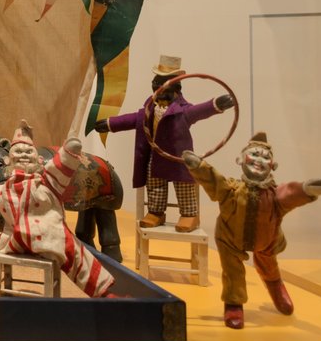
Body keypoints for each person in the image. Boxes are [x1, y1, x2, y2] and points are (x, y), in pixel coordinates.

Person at [0, 120, 117, 298]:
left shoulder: (48, 182)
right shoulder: (4, 190)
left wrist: (69, 152)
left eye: (29, 151)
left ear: (40, 158)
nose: (23, 154)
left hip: (50, 236)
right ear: (7, 159)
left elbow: (60, 167)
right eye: (18, 151)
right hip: (14, 237)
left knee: (77, 253)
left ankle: (103, 292)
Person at [183, 132, 321, 330]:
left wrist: (305, 190)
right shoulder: (231, 190)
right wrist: (198, 166)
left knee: (269, 265)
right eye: (254, 155)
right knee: (232, 272)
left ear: (273, 166)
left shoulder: (274, 195)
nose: (259, 161)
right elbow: (213, 180)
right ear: (240, 160)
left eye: (265, 157)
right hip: (230, 240)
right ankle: (234, 303)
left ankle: (276, 288)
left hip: (266, 240)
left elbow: (289, 194)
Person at [95, 54, 233, 232]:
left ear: (176, 89)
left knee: (184, 187)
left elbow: (200, 110)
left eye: (163, 87)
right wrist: (109, 124)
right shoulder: (149, 109)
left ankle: (189, 214)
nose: (159, 91)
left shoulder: (183, 111)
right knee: (155, 187)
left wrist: (216, 104)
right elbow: (132, 120)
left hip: (179, 159)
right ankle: (156, 212)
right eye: (156, 86)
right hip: (157, 157)